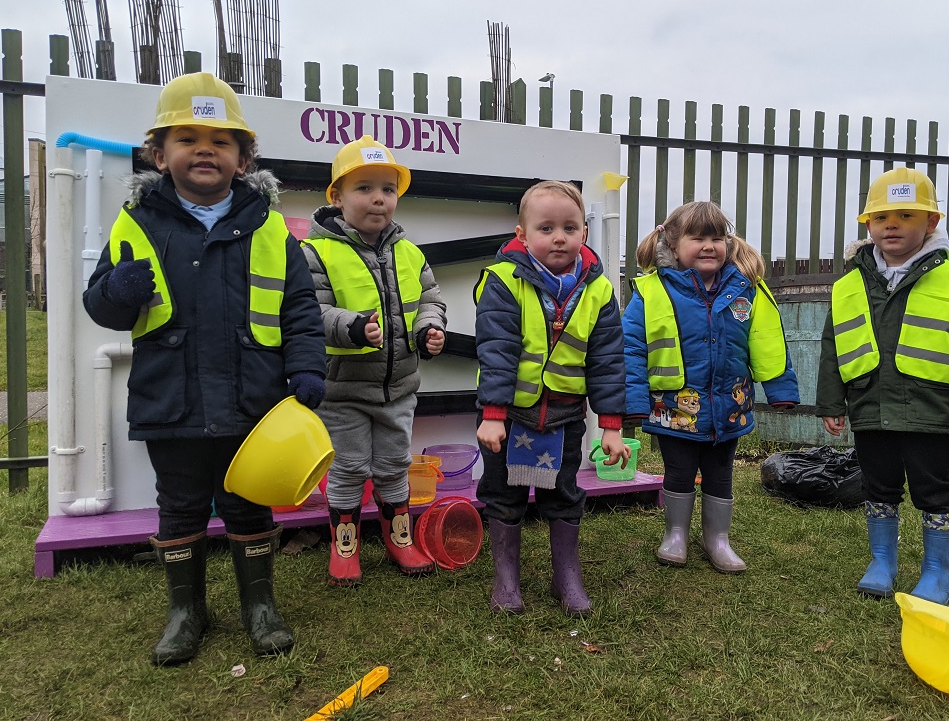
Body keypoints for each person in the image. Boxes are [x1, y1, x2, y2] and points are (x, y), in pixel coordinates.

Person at [83, 72, 327, 665]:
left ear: (243, 159)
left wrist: (307, 368)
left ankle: (259, 608)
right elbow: (102, 307)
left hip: (255, 399)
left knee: (249, 503)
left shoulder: (270, 227)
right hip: (173, 398)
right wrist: (116, 287)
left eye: (220, 141)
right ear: (158, 154)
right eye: (186, 138)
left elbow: (299, 307)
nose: (204, 150)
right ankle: (185, 612)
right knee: (181, 505)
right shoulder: (136, 222)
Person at [817, 167, 949, 605]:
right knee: (879, 484)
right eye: (880, 218)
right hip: (871, 408)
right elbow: (831, 347)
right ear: (869, 227)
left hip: (931, 411)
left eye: (905, 215)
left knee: (934, 487)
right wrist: (830, 403)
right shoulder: (848, 285)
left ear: (931, 223)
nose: (890, 224)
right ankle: (882, 561)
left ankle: (937, 573)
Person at [475, 180, 629, 616]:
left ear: (584, 231)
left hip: (565, 417)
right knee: (503, 493)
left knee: (563, 492)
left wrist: (612, 427)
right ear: (522, 234)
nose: (559, 237)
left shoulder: (598, 290)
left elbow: (608, 361)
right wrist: (492, 414)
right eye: (546, 228)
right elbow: (497, 351)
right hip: (508, 416)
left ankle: (567, 576)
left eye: (570, 227)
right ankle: (506, 580)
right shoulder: (502, 280)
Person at [622, 201, 798, 574]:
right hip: (674, 410)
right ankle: (676, 535)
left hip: (728, 407)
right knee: (679, 471)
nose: (708, 246)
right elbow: (632, 347)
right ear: (671, 242)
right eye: (697, 237)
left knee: (721, 473)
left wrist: (781, 389)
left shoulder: (746, 289)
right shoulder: (652, 290)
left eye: (716, 238)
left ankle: (718, 539)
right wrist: (634, 400)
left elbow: (768, 340)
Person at [302, 135, 447, 587]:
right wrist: (349, 325)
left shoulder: (410, 252)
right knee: (347, 468)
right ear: (337, 197)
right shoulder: (316, 252)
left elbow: (430, 298)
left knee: (392, 465)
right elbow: (310, 311)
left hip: (399, 388)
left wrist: (428, 329)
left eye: (388, 188)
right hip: (342, 392)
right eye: (364, 188)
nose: (378, 198)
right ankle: (344, 546)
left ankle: (398, 538)